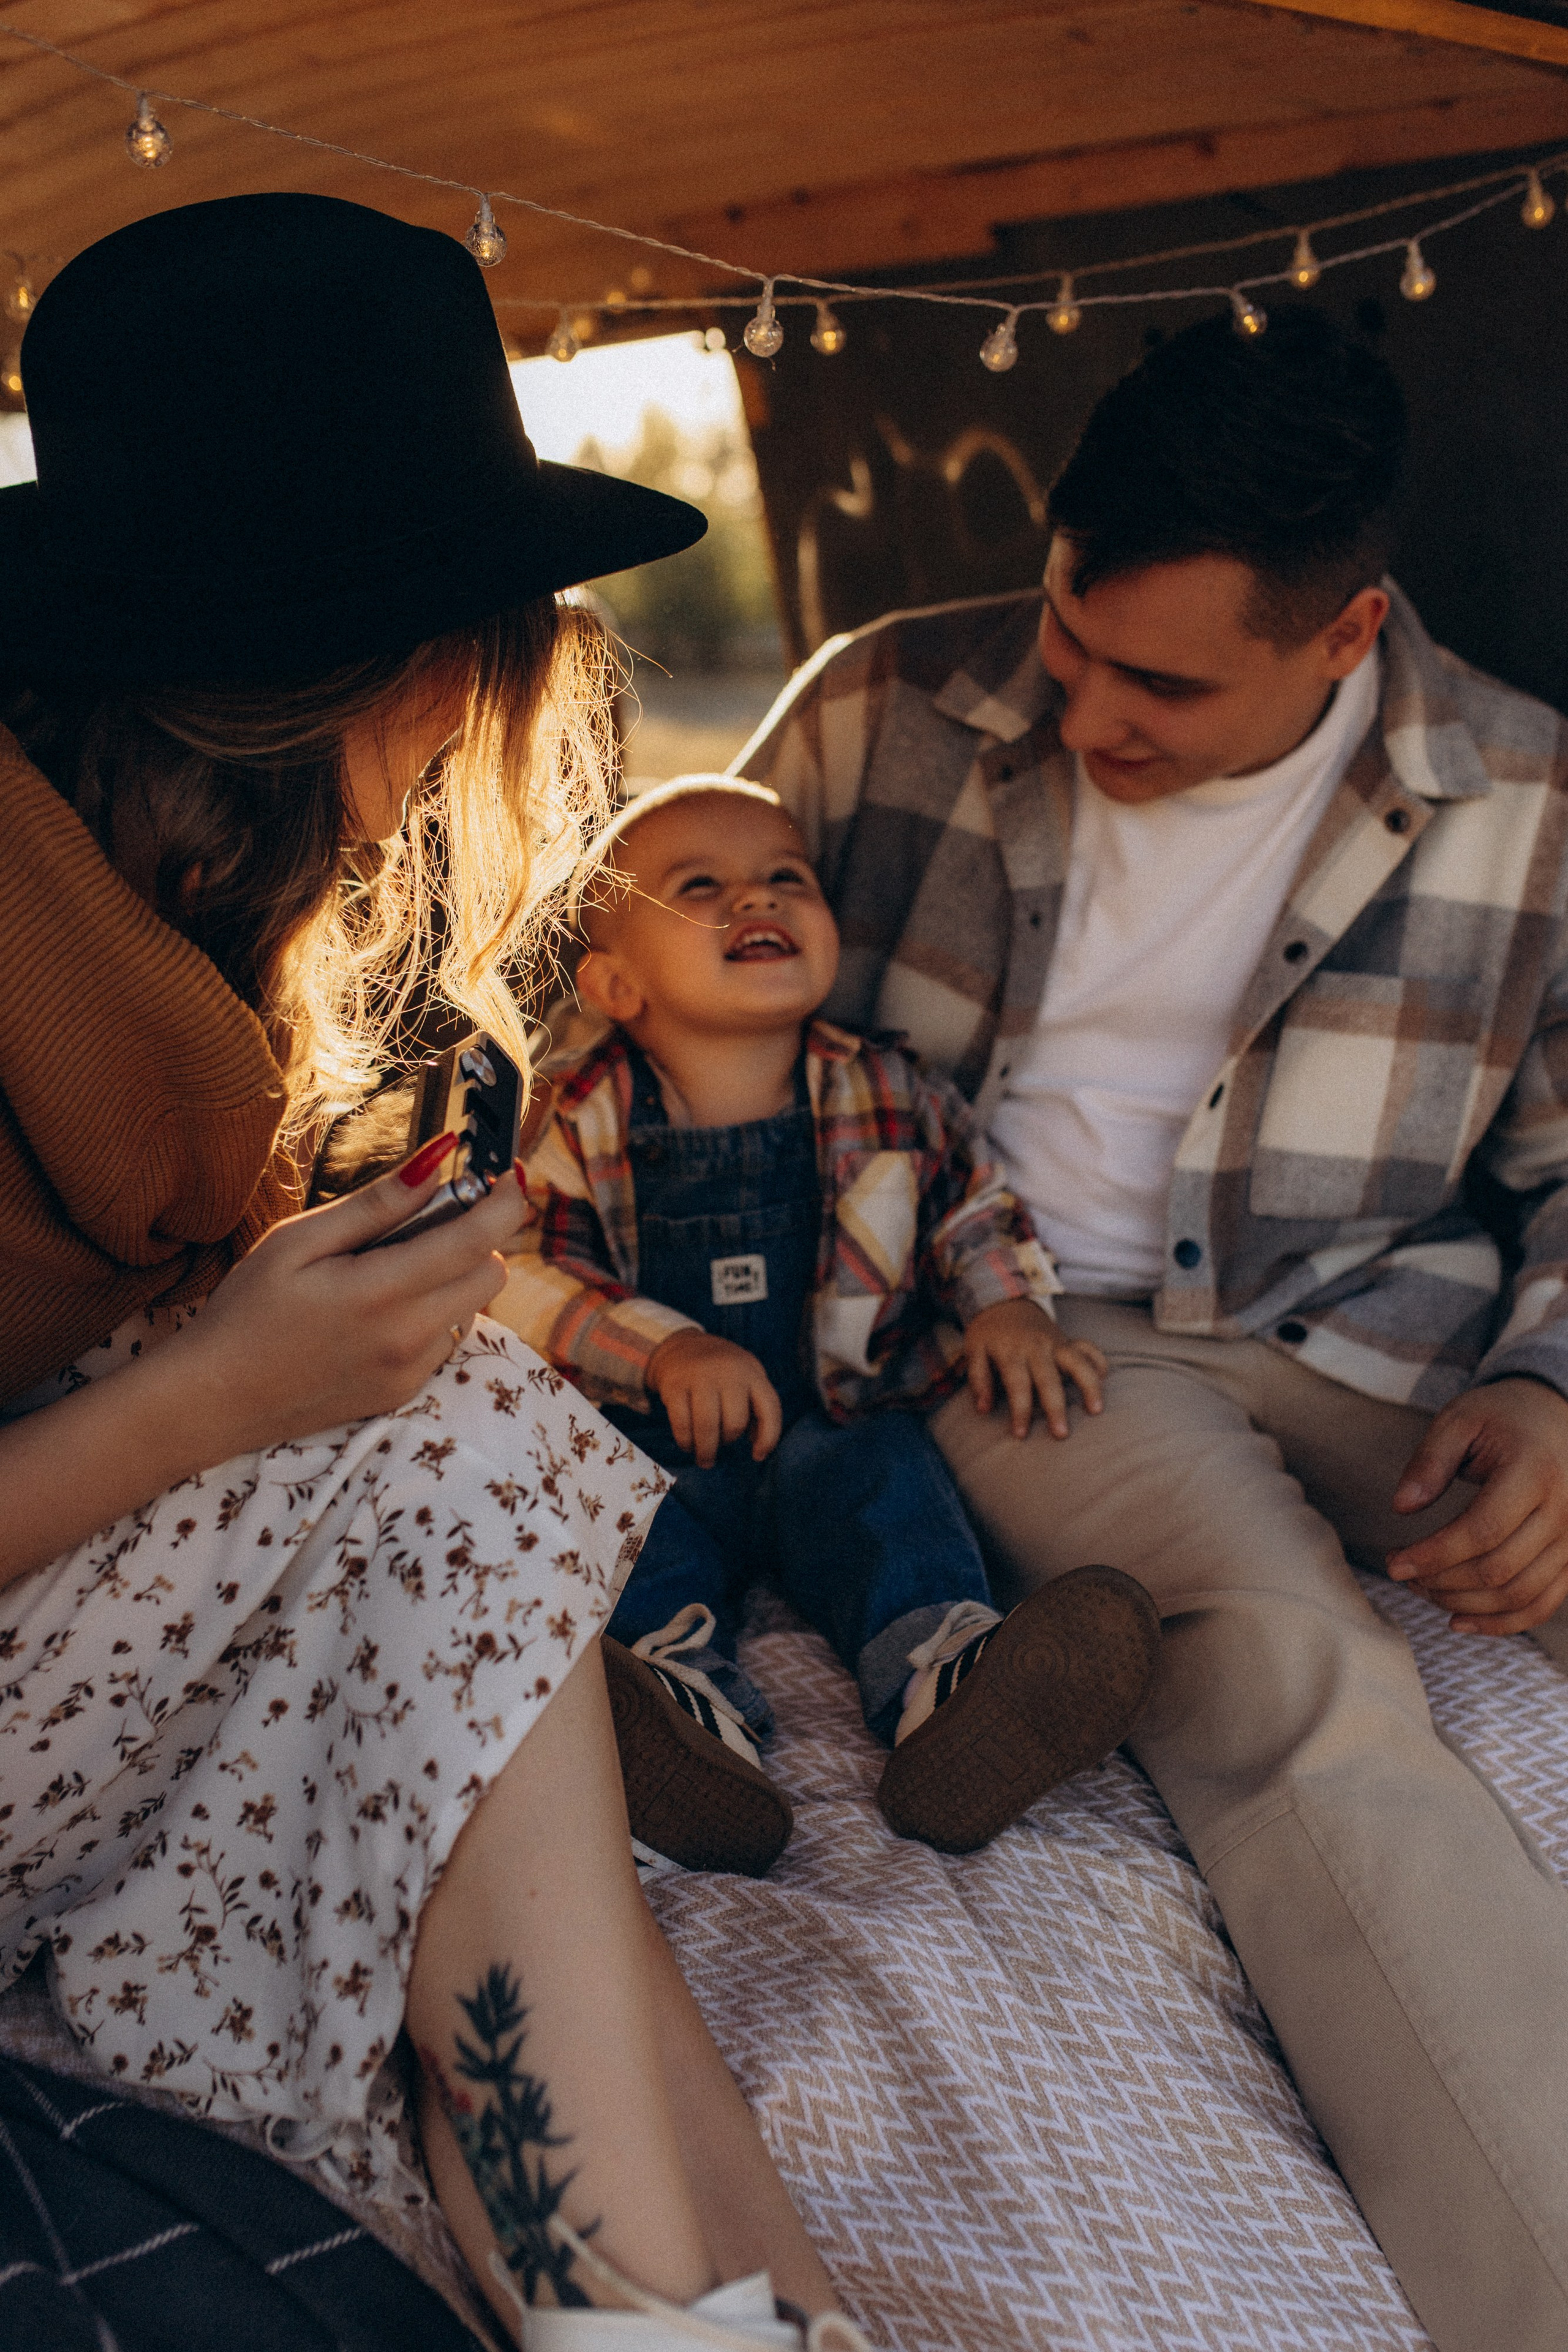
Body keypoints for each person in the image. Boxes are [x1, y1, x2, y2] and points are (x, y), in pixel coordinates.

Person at [0, 191, 876, 2352]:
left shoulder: (150, 960)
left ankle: (743, 2314)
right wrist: (219, 1393)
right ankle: (650, 2313)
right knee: (460, 1438)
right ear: (428, 665)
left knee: (459, 1487)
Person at [737, 306, 1568, 2352]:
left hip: (1389, 1327)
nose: (1085, 704)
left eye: (1165, 682)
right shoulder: (880, 709)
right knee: (1293, 1675)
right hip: (1031, 1342)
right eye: (1069, 636)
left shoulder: (1528, 795)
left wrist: (1555, 1388)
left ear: (1346, 628)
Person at [499, 776, 1158, 1872]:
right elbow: (518, 1273)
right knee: (624, 1529)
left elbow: (973, 1205)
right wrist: (662, 1348)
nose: (753, 898)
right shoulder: (581, 1115)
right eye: (700, 885)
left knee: (897, 1497)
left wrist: (1005, 1307)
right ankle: (678, 1712)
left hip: (835, 1412)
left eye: (785, 878)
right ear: (616, 983)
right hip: (655, 1432)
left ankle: (953, 1689)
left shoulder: (890, 1090)